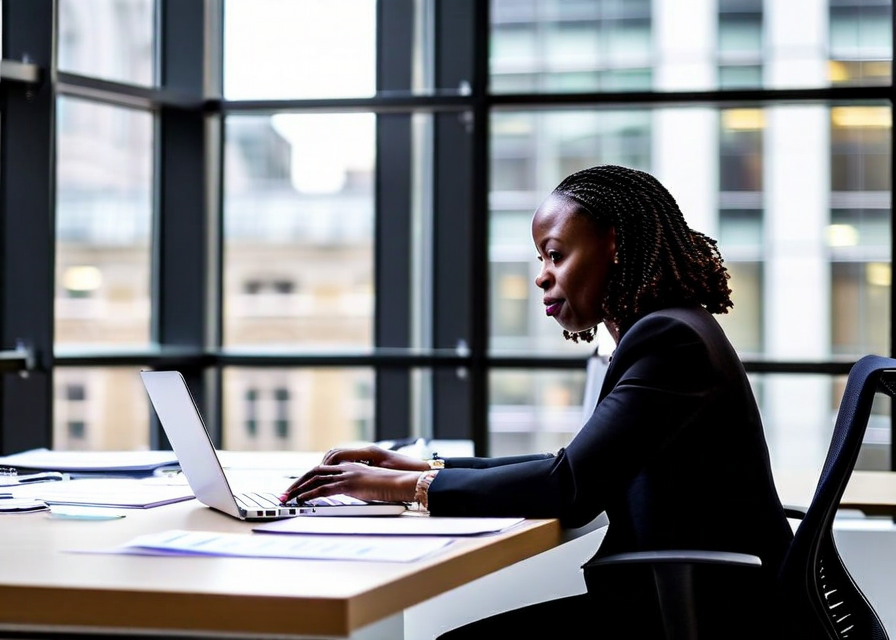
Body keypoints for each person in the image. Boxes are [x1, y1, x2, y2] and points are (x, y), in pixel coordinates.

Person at [281, 164, 794, 638]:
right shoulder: (671, 329)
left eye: (556, 254)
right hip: (691, 603)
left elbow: (571, 488)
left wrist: (407, 488)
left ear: (613, 243)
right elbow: (571, 468)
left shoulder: (669, 340)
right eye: (541, 258)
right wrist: (425, 468)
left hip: (709, 615)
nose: (542, 276)